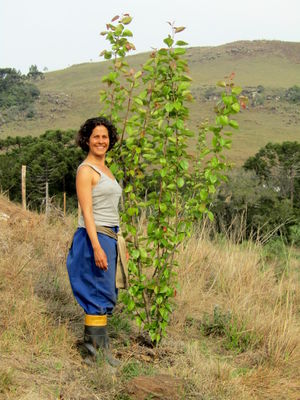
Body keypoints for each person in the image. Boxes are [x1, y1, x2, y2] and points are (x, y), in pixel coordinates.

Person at [67, 116, 122, 367]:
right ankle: (94, 356)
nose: (101, 141)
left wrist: (120, 243)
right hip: (94, 237)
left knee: (106, 293)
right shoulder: (86, 171)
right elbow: (87, 213)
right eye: (96, 137)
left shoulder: (106, 169)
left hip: (109, 237)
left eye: (105, 136)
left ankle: (102, 352)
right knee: (96, 294)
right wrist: (97, 246)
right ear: (87, 140)